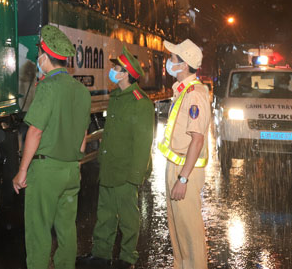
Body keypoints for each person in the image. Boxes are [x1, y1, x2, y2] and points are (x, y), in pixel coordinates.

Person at [13, 25, 92, 269]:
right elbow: (83, 133)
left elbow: (35, 131)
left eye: (39, 55)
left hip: (46, 172)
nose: (38, 59)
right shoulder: (81, 91)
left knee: (39, 232)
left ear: (45, 57)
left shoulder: (47, 87)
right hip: (70, 170)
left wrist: (22, 171)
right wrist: (77, 163)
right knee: (67, 229)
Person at [78, 46, 154, 269]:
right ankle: (101, 255)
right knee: (105, 215)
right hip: (110, 168)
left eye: (116, 68)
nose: (112, 71)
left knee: (129, 219)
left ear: (126, 73)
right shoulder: (117, 97)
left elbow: (143, 143)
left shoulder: (140, 102)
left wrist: (136, 175)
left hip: (126, 171)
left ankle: (127, 258)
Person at [159, 39, 210, 269]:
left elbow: (197, 139)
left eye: (172, 59)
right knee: (177, 230)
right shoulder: (183, 91)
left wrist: (183, 178)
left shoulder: (195, 94)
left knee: (190, 233)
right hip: (177, 166)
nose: (168, 62)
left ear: (183, 65)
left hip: (185, 172)